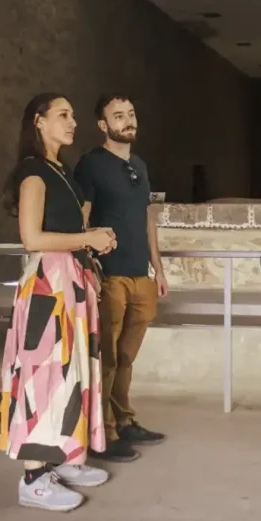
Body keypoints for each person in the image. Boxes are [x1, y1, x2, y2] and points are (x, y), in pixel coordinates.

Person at [0, 93, 116, 511]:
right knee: (43, 376)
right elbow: (32, 239)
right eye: (63, 115)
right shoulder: (33, 173)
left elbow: (66, 230)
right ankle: (33, 477)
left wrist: (91, 247)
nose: (73, 122)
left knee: (71, 372)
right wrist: (87, 238)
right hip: (48, 285)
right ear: (38, 123)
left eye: (73, 114)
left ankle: (62, 456)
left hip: (70, 281)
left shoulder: (59, 170)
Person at [75, 94, 168, 460]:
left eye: (131, 114)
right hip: (109, 276)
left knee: (126, 357)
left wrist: (158, 269)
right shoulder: (91, 165)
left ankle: (124, 420)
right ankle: (104, 433)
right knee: (108, 358)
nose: (127, 121)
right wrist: (88, 269)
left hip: (139, 276)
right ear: (103, 125)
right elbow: (81, 220)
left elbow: (148, 221)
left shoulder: (140, 165)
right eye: (118, 116)